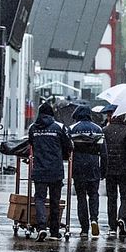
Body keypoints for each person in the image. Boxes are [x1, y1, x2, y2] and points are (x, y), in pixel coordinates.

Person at [28, 101, 73, 241]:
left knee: (40, 199)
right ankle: (54, 230)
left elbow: (31, 144)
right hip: (55, 170)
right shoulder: (59, 128)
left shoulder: (33, 128)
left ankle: (41, 227)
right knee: (55, 200)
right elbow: (68, 146)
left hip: (39, 169)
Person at [69, 105, 107, 238]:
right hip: (93, 165)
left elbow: (68, 149)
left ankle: (84, 228)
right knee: (93, 194)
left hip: (78, 166)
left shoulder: (72, 129)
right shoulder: (98, 129)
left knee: (81, 197)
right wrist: (103, 171)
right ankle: (94, 219)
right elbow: (104, 152)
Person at [104, 108, 126, 237]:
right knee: (125, 197)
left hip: (110, 170)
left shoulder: (105, 131)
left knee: (111, 198)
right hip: (125, 170)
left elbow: (102, 151)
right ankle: (122, 218)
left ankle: (112, 227)